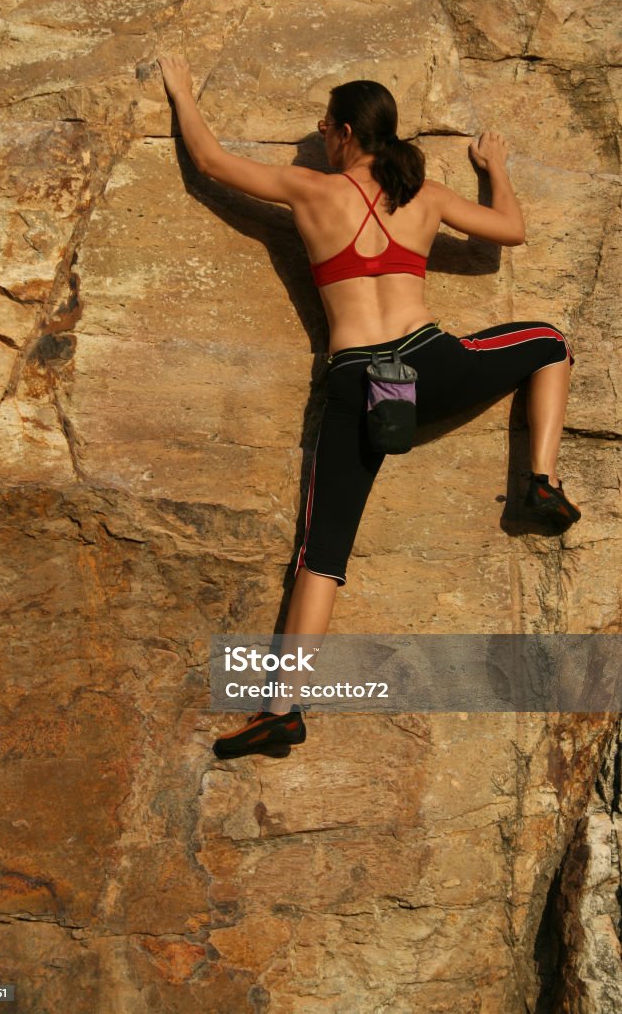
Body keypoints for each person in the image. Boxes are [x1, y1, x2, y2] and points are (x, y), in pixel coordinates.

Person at [157, 56, 580, 759]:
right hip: (428, 365)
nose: (322, 138)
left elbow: (207, 161)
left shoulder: (308, 192)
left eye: (325, 127)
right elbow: (508, 230)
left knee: (319, 555)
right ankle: (538, 481)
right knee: (548, 342)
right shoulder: (426, 195)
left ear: (347, 132)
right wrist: (493, 166)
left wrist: (179, 88)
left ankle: (281, 710)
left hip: (363, 379)